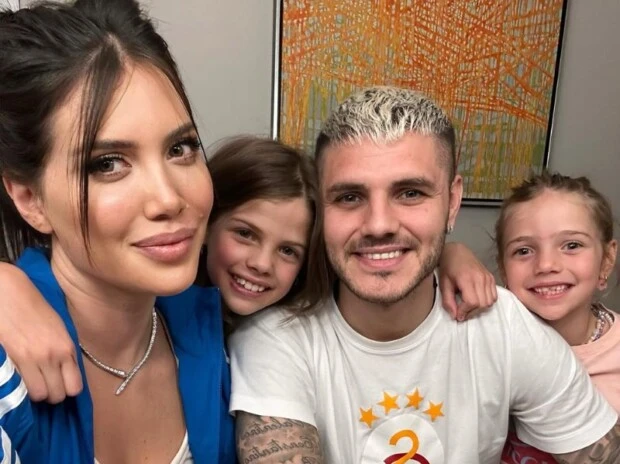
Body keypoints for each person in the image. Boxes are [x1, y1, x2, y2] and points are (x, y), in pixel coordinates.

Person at [229, 86, 620, 463]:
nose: (379, 224)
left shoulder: (504, 326)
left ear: (452, 201)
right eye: (349, 197)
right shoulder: (276, 340)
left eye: (410, 193)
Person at [0, 0, 236, 461]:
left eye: (181, 148)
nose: (168, 199)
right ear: (30, 199)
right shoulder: (8, 375)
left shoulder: (218, 332)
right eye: (108, 164)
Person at [495, 172, 618, 462]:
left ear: (607, 260)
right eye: (523, 250)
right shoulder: (490, 341)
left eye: (572, 245)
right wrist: (453, 255)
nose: (546, 264)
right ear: (503, 269)